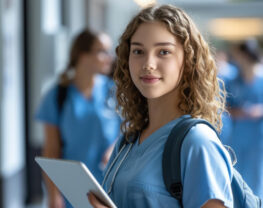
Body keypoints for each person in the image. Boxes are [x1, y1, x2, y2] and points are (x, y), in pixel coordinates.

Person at [88, 4, 233, 208]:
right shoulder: (128, 140)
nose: (148, 63)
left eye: (163, 52)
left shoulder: (197, 143)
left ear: (189, 60)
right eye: (138, 51)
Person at [35, 29, 121, 208]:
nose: (110, 57)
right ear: (83, 55)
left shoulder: (115, 92)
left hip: (112, 188)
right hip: (72, 189)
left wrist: (114, 148)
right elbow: (51, 150)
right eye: (102, 51)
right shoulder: (58, 96)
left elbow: (131, 132)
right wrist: (53, 195)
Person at [224, 39, 263, 200]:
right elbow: (225, 106)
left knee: (256, 175)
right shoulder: (232, 80)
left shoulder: (260, 79)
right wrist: (241, 112)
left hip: (257, 137)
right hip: (238, 137)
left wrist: (257, 111)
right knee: (237, 173)